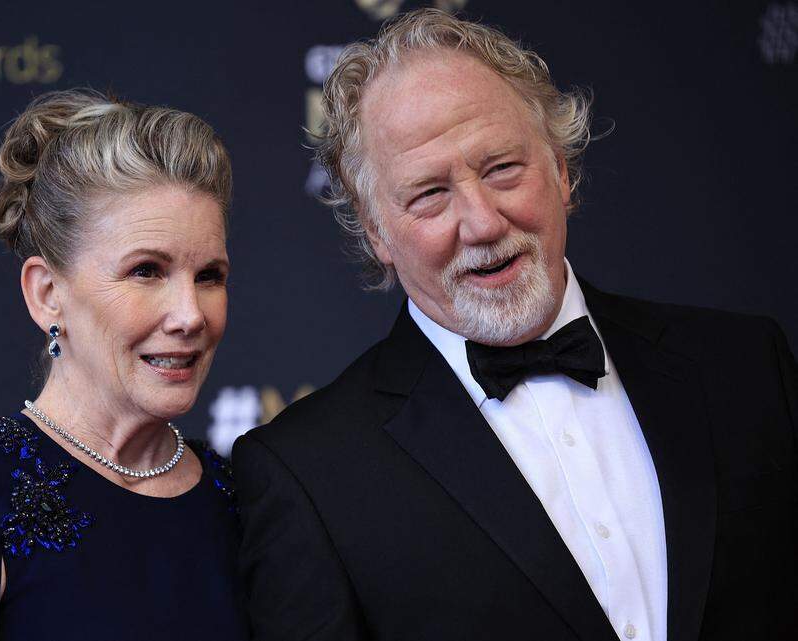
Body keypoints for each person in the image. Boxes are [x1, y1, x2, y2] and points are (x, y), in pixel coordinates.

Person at [234, 9, 797, 641]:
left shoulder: (747, 366)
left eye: (501, 167)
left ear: (561, 169)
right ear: (376, 233)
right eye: (429, 194)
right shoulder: (309, 475)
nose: (481, 222)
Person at [0, 89, 247, 640]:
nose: (189, 316)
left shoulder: (247, 501)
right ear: (46, 294)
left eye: (209, 276)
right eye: (146, 271)